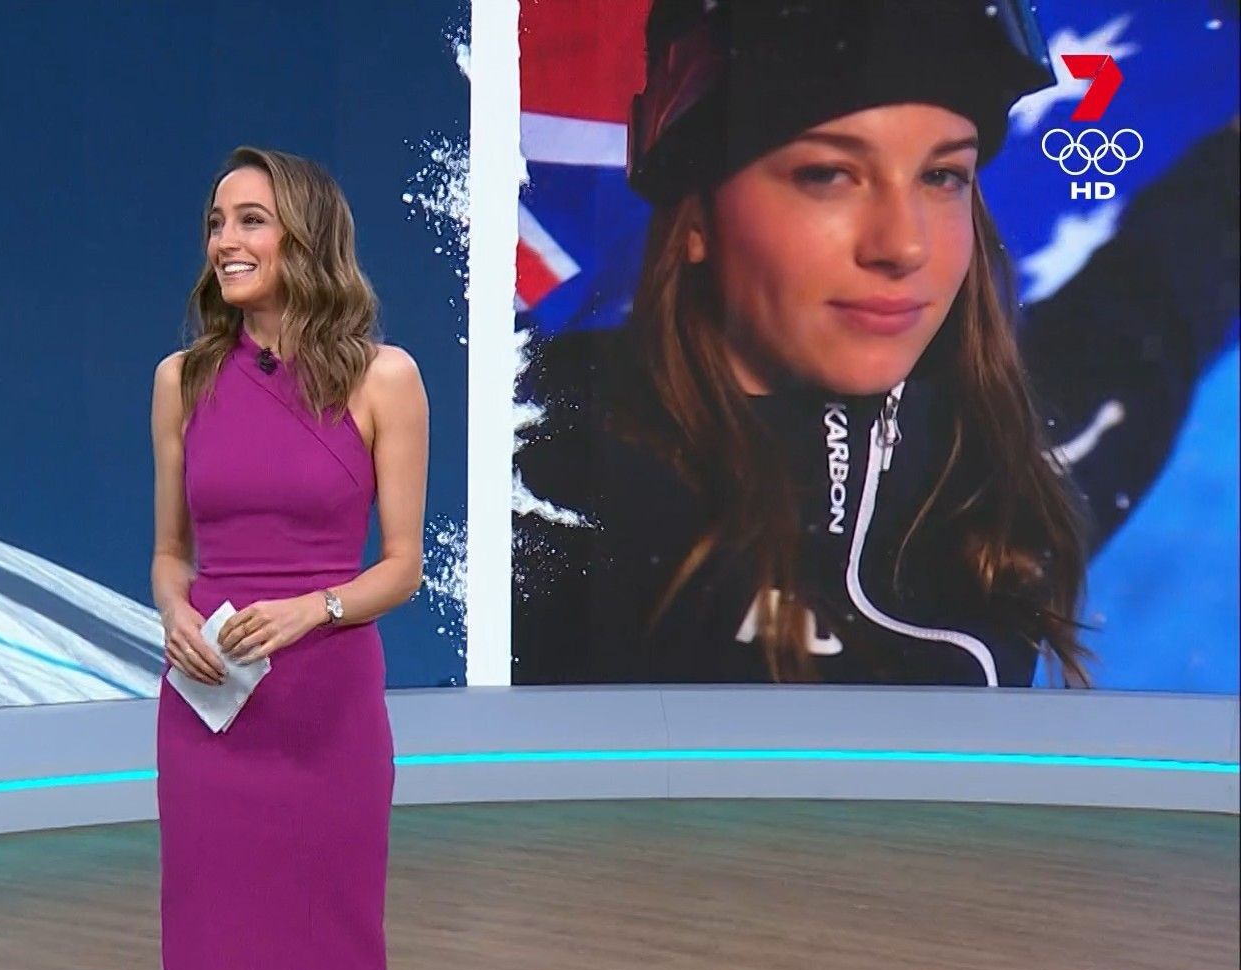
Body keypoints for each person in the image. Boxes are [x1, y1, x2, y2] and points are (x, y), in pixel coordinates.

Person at [512, 0, 1239, 688]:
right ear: (694, 216)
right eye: (829, 174)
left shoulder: (1004, 502)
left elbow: (1157, 306)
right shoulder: (520, 472)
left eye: (942, 175)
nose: (904, 245)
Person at [150, 146, 428, 970]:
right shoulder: (181, 380)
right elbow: (171, 552)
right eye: (216, 223)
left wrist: (318, 607)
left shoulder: (385, 378)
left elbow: (402, 567)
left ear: (304, 237)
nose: (225, 241)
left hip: (326, 716)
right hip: (210, 709)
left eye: (250, 220)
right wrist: (172, 610)